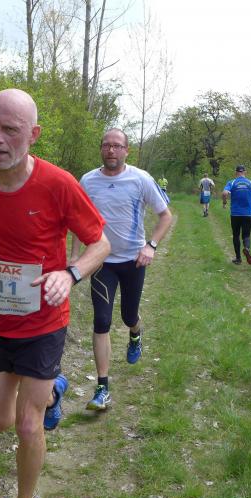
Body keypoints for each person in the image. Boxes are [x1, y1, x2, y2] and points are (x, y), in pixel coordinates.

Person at [0, 88, 110, 498]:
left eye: (10, 130)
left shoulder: (58, 184)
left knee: (27, 425)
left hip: (43, 322)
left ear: (33, 135)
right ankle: (54, 389)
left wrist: (70, 274)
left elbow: (100, 243)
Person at [71, 128, 172, 411]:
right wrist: (76, 257)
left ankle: (135, 333)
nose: (111, 150)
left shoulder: (141, 179)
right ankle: (102, 387)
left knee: (128, 315)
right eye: (106, 145)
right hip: (101, 262)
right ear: (101, 149)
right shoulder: (88, 181)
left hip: (133, 261)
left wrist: (151, 246)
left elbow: (165, 216)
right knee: (101, 321)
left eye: (117, 146)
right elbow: (77, 220)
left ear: (127, 150)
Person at [222, 164, 251, 265]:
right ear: (245, 172)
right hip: (248, 214)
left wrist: (224, 202)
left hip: (235, 214)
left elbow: (225, 193)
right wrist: (249, 197)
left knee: (236, 235)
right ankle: (247, 248)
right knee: (246, 235)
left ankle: (238, 258)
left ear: (236, 173)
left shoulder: (232, 182)